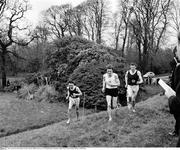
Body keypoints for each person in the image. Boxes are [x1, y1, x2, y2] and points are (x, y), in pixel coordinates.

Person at [168, 33, 180, 139]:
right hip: (174, 89)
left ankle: (177, 130)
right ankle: (177, 130)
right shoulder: (174, 63)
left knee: (177, 112)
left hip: (177, 93)